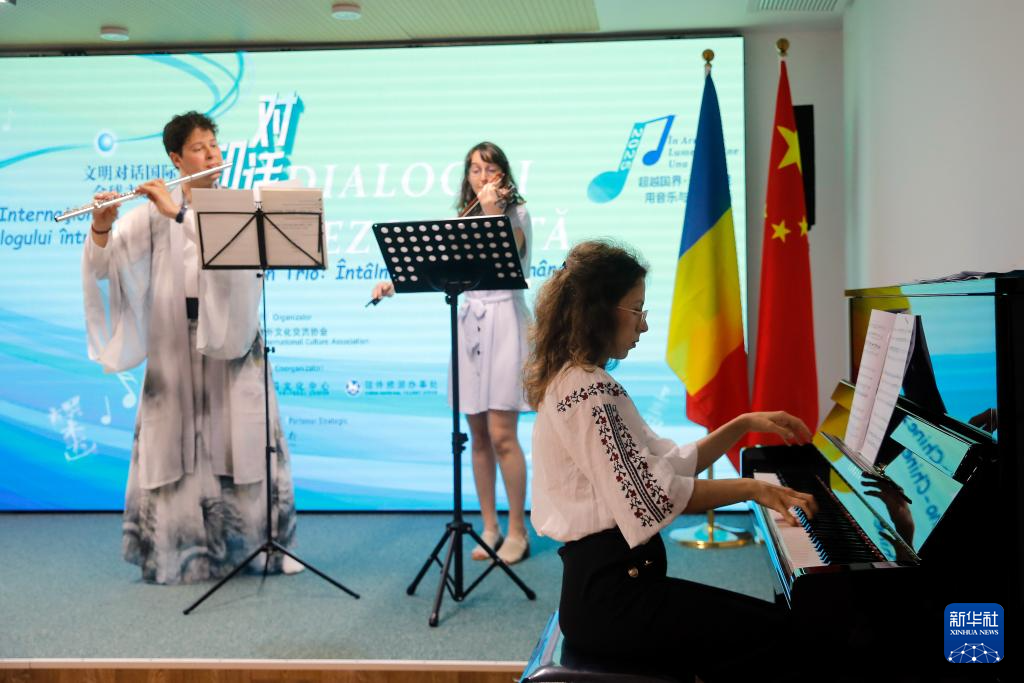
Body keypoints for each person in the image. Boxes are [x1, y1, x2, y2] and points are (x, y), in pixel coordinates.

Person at [525, 240, 824, 681]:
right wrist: (754, 489)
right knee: (782, 635)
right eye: (636, 310)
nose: (644, 324)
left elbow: (671, 464)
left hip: (618, 592)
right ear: (598, 311)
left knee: (773, 628)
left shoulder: (583, 381)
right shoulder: (586, 390)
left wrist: (742, 424)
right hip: (614, 605)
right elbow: (656, 495)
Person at [82, 111, 301, 584]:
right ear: (176, 159)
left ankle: (260, 550)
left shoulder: (238, 208)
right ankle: (181, 553)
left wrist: (179, 214)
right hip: (175, 343)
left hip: (233, 343)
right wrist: (101, 226)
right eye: (199, 149)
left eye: (214, 146)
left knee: (246, 440)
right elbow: (104, 269)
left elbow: (240, 267)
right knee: (175, 444)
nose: (211, 155)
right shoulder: (151, 214)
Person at [371, 141, 532, 565]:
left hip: (505, 320)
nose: (482, 176)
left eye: (490, 168)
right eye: (475, 169)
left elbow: (513, 255)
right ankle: (490, 527)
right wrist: (394, 284)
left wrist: (494, 212)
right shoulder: (461, 218)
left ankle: (518, 529)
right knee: (477, 435)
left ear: (503, 174)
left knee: (503, 435)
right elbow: (436, 269)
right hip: (470, 323)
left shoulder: (516, 213)